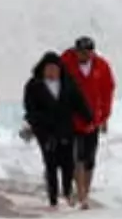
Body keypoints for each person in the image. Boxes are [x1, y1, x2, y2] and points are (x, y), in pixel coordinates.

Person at [24, 51, 91, 209]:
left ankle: (67, 192)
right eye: (49, 68)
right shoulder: (34, 85)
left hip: (66, 130)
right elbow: (30, 108)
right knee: (51, 164)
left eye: (56, 68)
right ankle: (53, 198)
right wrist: (37, 123)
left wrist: (88, 116)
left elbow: (79, 101)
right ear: (42, 69)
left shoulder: (68, 83)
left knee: (67, 164)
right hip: (45, 132)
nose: (53, 72)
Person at [61, 36, 116, 209]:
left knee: (89, 158)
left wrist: (105, 116)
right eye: (80, 51)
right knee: (76, 156)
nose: (83, 55)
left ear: (92, 52)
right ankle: (81, 195)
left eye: (87, 52)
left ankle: (85, 190)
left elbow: (108, 90)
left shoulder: (102, 66)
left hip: (93, 120)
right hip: (71, 119)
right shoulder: (66, 63)